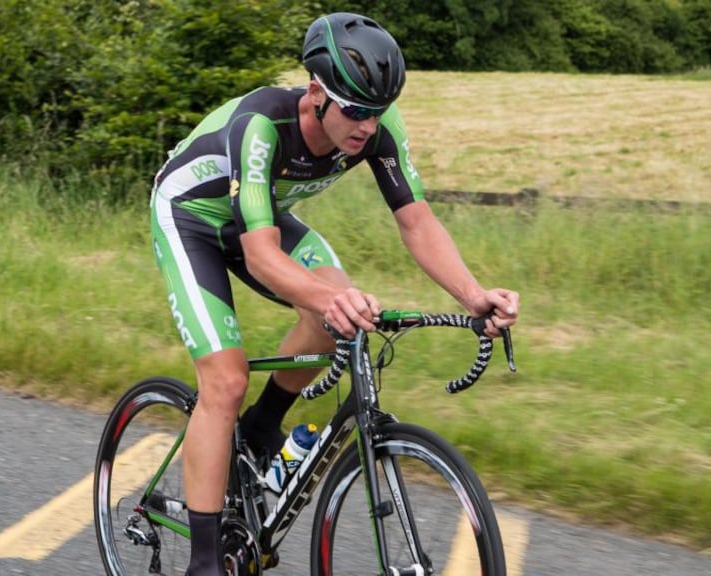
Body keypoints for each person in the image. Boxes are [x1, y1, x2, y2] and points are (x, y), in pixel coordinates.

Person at [149, 12, 520, 575]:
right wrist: (323, 300)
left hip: (261, 217)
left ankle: (262, 425)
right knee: (224, 380)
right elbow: (260, 256)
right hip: (191, 217)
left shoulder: (374, 123)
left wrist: (473, 294)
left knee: (341, 310)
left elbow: (416, 221)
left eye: (376, 113)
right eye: (354, 111)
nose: (366, 128)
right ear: (316, 91)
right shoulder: (262, 125)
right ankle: (203, 562)